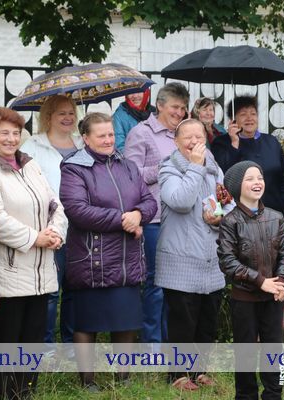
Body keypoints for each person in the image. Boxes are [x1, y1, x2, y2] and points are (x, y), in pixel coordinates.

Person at [0, 107, 67, 399]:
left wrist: (56, 232)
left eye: (16, 133)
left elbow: (55, 205)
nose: (11, 139)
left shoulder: (30, 164)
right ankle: (4, 394)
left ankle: (26, 393)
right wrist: (36, 238)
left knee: (33, 338)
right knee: (7, 338)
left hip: (41, 270)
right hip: (8, 269)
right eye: (4, 133)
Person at [60, 112, 157, 390]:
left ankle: (123, 379)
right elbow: (77, 210)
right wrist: (124, 220)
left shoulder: (127, 165)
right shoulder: (73, 168)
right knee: (87, 322)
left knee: (126, 320)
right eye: (101, 135)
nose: (108, 140)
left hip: (127, 258)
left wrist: (138, 214)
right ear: (86, 138)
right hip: (92, 259)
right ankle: (87, 382)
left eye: (111, 134)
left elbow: (149, 201)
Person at [156, 119, 230, 391]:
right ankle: (178, 375)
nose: (193, 141)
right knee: (182, 320)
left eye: (198, 136)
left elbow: (226, 202)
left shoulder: (214, 167)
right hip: (181, 258)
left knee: (207, 319)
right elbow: (181, 201)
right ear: (176, 142)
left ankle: (199, 370)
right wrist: (196, 167)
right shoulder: (168, 168)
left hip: (210, 258)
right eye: (187, 137)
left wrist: (219, 217)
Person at [217, 160, 284, 400]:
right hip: (244, 299)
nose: (257, 182)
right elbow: (228, 262)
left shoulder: (276, 217)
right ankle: (246, 395)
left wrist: (280, 281)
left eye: (260, 177)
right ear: (238, 186)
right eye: (250, 179)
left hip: (274, 297)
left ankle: (274, 394)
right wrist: (260, 281)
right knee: (245, 352)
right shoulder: (230, 222)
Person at [124, 82, 189, 344]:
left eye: (183, 108)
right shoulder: (141, 133)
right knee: (156, 284)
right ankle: (152, 344)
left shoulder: (183, 134)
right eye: (175, 107)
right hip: (154, 219)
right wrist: (163, 167)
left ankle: (171, 340)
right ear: (160, 105)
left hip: (181, 218)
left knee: (175, 286)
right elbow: (130, 175)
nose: (179, 113)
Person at [20, 94, 83, 355]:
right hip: (50, 226)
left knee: (75, 288)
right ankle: (45, 346)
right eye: (61, 113)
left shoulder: (82, 143)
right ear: (48, 117)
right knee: (49, 290)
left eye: (71, 112)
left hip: (81, 225)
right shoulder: (33, 146)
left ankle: (70, 344)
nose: (68, 118)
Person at [211, 96, 284, 222]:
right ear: (233, 119)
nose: (249, 118)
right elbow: (223, 177)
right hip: (240, 218)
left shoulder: (271, 141)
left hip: (274, 215)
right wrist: (234, 143)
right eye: (243, 114)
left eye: (253, 114)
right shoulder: (221, 143)